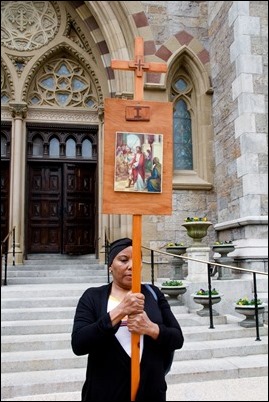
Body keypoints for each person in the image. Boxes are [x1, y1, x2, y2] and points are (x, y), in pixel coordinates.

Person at [71, 237, 184, 402]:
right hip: (105, 393)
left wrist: (151, 328)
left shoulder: (153, 293)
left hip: (150, 392)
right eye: (123, 260)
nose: (131, 266)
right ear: (110, 266)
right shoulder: (93, 297)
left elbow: (177, 339)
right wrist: (120, 311)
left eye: (136, 260)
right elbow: (79, 344)